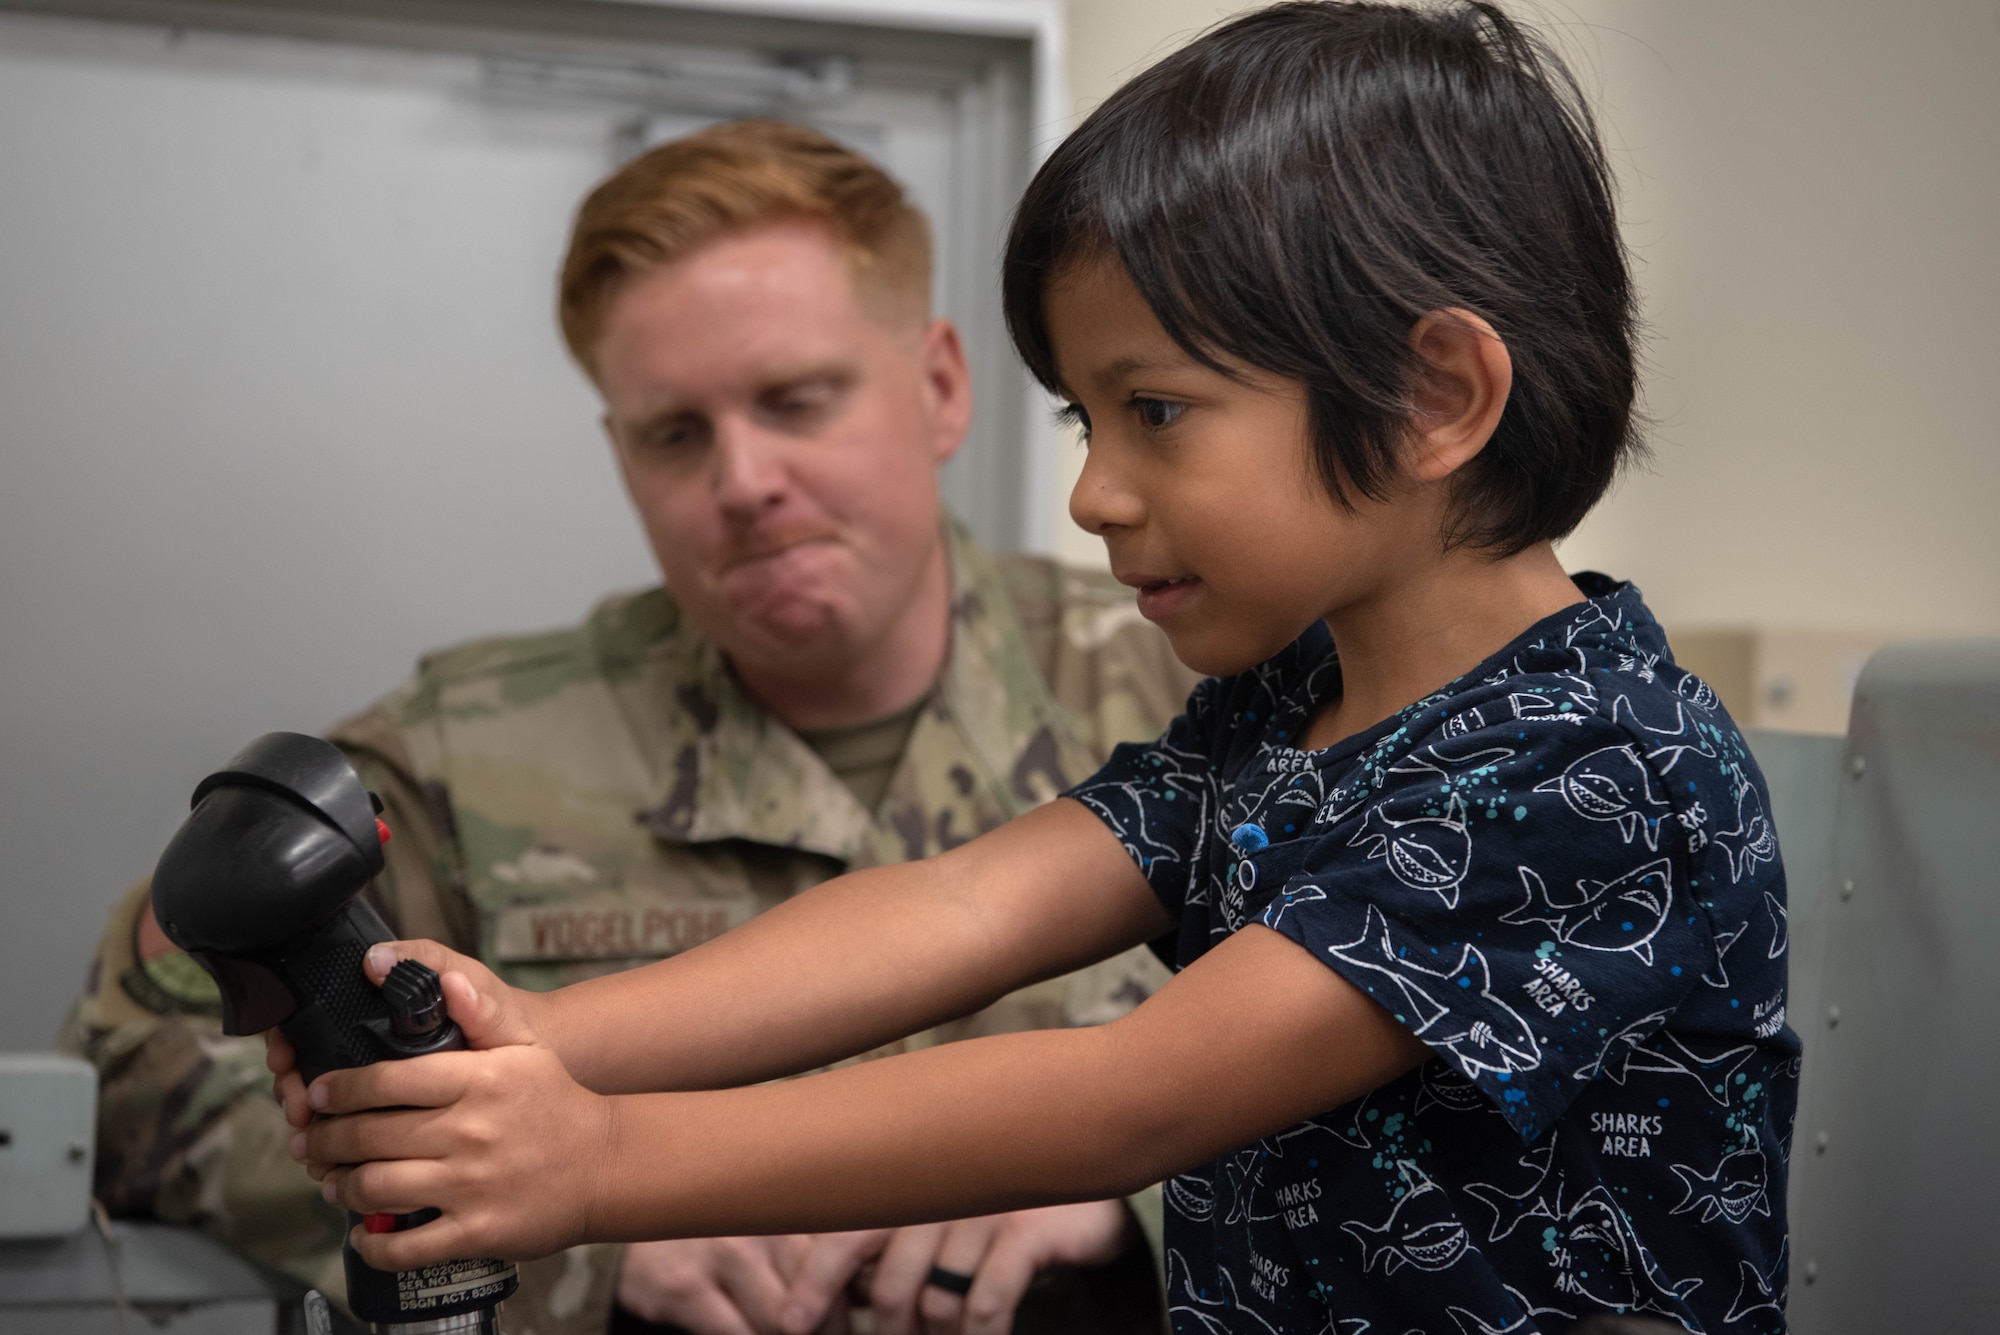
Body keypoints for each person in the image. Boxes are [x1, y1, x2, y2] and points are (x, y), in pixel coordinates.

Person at [278, 3, 1798, 1331]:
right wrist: (548, 1034)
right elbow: (964, 902)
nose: (1093, 493)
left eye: (1157, 410)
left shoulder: (1589, 762)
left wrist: (600, 1162)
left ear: (1432, 396)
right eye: (1087, 421)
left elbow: (1132, 1096)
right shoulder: (1290, 706)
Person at [59, 120, 1200, 1335]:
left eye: (795, 400)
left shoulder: (1194, 694)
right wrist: (571, 1236)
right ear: (620, 455)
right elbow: (132, 1068)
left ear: (937, 388)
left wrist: (1129, 1191)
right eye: (675, 433)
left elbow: (1400, 1043)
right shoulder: (466, 756)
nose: (743, 479)